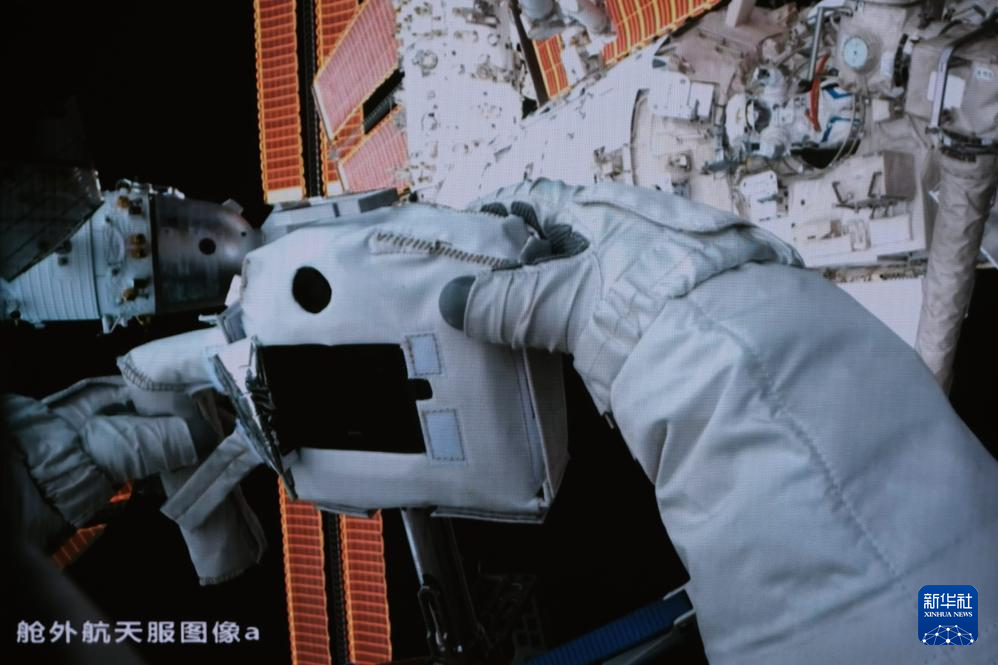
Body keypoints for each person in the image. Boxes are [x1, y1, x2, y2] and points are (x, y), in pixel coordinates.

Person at [439, 179, 998, 664]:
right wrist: (657, 304)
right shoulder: (951, 622)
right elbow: (932, 611)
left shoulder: (955, 620)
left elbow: (945, 611)